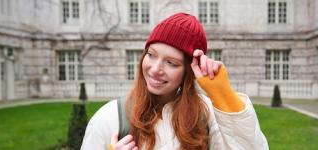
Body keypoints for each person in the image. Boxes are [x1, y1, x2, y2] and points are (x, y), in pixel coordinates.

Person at [81, 12, 268, 150]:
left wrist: (224, 95)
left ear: (189, 72)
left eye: (171, 63)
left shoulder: (206, 114)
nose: (155, 69)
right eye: (151, 55)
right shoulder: (110, 118)